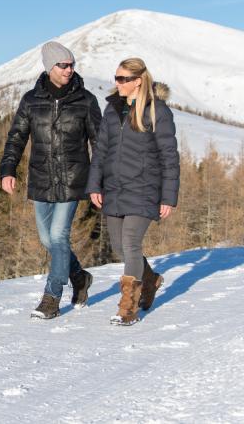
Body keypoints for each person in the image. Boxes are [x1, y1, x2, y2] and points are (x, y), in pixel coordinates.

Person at [0, 41, 102, 319]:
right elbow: (16, 138)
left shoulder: (86, 100)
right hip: (41, 178)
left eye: (72, 65)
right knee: (48, 240)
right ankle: (79, 277)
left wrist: (99, 179)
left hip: (73, 178)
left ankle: (52, 297)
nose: (69, 70)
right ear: (49, 67)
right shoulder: (31, 100)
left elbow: (99, 142)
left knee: (58, 236)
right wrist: (8, 170)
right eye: (63, 65)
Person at [86, 57, 180, 326]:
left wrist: (168, 196)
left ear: (138, 81)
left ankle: (129, 307)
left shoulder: (157, 111)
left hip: (144, 189)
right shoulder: (112, 109)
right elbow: (101, 150)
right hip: (114, 188)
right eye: (116, 78)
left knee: (130, 243)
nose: (117, 83)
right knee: (119, 248)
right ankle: (149, 279)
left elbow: (169, 157)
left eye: (122, 79)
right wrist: (94, 185)